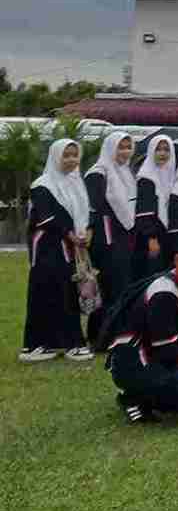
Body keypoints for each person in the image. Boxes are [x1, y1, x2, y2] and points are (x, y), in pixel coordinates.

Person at [104, 228, 178, 423]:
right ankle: (133, 397)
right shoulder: (163, 292)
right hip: (136, 361)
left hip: (167, 350)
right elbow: (166, 348)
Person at [20, 138, 93, 363]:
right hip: (48, 248)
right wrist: (70, 234)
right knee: (48, 292)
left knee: (66, 291)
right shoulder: (42, 184)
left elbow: (85, 212)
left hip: (70, 247)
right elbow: (46, 217)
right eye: (66, 155)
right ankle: (43, 344)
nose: (71, 160)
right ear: (56, 157)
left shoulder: (76, 182)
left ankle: (57, 343)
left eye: (74, 155)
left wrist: (85, 232)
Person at [85, 131, 138, 343]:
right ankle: (103, 337)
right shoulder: (98, 173)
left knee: (121, 287)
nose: (125, 152)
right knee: (110, 288)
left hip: (124, 237)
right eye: (120, 147)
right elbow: (94, 209)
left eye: (128, 147)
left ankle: (114, 333)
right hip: (106, 240)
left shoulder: (125, 172)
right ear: (110, 148)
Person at [133, 134, 175, 278]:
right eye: (158, 149)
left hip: (166, 235)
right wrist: (151, 238)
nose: (162, 153)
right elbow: (143, 212)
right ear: (151, 151)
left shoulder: (170, 175)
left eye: (166, 149)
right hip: (152, 238)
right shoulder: (146, 177)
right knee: (151, 275)